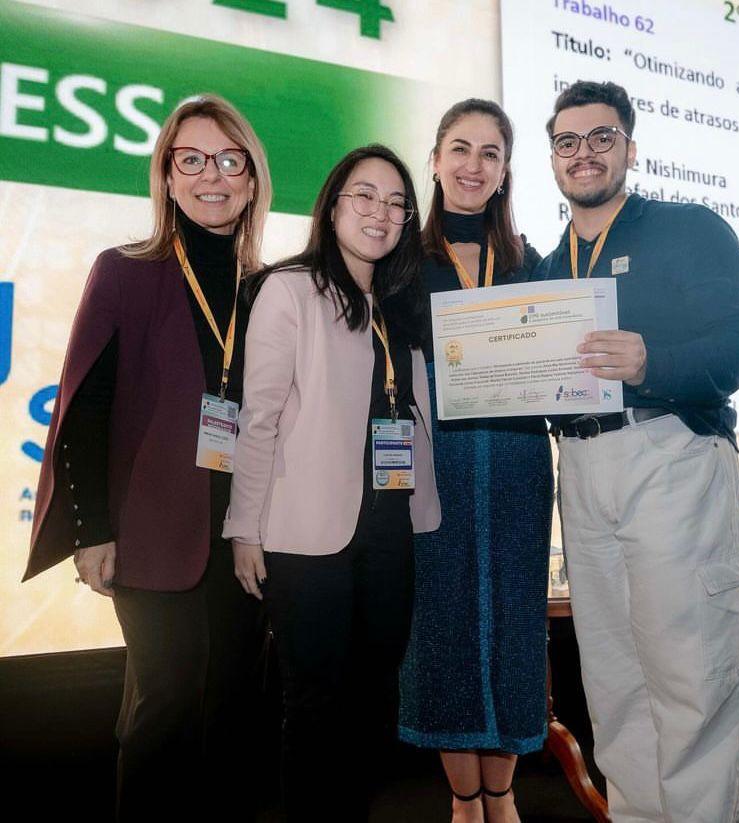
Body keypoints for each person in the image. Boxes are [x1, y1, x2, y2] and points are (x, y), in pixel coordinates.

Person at [24, 94, 272, 822]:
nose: (211, 177)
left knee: (232, 706)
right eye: (190, 160)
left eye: (229, 160)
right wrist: (91, 528)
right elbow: (84, 408)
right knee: (162, 704)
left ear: (253, 179)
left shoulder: (270, 288)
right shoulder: (123, 270)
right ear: (165, 176)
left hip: (247, 537)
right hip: (150, 532)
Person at [534, 80, 739, 822]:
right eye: (568, 141)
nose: (585, 153)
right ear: (554, 159)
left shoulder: (690, 228)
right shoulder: (547, 267)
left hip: (670, 455)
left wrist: (650, 361)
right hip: (583, 468)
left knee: (691, 678)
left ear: (630, 147)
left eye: (602, 137)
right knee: (614, 683)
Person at [223, 144, 440, 822]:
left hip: (388, 531)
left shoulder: (398, 307)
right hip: (304, 533)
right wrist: (243, 527)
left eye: (396, 203)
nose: (381, 212)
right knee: (312, 704)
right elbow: (258, 418)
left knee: (375, 700)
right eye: (365, 196)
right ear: (334, 205)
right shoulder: (290, 290)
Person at [398, 99, 553, 823]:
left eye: (490, 153)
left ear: (504, 172)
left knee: (517, 627)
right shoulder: (399, 260)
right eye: (460, 148)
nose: (473, 164)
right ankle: (465, 801)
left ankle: (504, 791)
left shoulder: (531, 262)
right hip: (437, 467)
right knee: (445, 627)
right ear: (434, 160)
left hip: (521, 466)